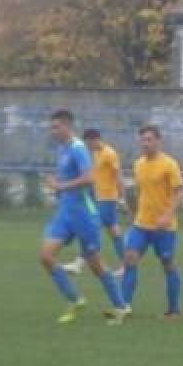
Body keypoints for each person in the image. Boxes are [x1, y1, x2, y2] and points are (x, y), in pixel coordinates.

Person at [38, 109, 129, 325]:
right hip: (65, 212)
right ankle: (76, 300)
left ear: (68, 126)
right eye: (51, 127)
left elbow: (89, 178)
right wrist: (57, 185)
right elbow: (68, 178)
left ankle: (121, 307)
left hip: (84, 214)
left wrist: (61, 186)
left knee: (96, 265)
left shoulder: (79, 149)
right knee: (46, 256)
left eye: (56, 127)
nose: (52, 131)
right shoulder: (63, 149)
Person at [121, 125, 183, 319]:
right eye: (142, 140)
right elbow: (141, 192)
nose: (145, 143)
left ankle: (173, 310)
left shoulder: (169, 164)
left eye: (149, 139)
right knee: (130, 258)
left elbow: (179, 192)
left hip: (164, 227)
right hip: (141, 224)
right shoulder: (138, 164)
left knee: (168, 264)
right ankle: (123, 306)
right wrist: (132, 210)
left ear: (158, 141)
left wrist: (168, 215)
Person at [63, 128, 125, 274]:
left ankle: (79, 262)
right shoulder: (95, 153)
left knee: (89, 228)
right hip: (97, 198)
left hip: (107, 199)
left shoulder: (110, 153)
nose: (88, 146)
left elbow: (118, 176)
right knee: (114, 231)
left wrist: (121, 198)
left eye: (89, 143)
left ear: (95, 140)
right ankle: (127, 264)